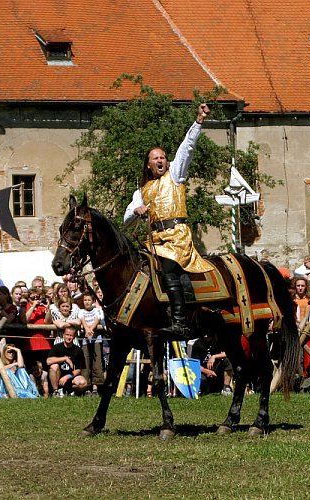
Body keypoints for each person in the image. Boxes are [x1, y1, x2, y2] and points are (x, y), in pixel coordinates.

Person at [123, 103, 213, 339]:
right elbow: (126, 217)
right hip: (154, 239)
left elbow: (187, 147)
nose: (161, 160)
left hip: (177, 237)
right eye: (156, 158)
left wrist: (199, 121)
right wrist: (137, 210)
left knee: (168, 267)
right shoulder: (143, 189)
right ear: (148, 164)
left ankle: (181, 321)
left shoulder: (175, 174)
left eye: (163, 157)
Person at [46, 325, 87, 397]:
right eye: (67, 335)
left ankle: (72, 392)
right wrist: (65, 359)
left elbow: (79, 369)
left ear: (74, 337)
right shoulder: (57, 347)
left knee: (83, 383)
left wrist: (68, 376)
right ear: (63, 335)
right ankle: (56, 392)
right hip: (58, 377)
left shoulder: (78, 350)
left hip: (71, 377)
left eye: (71, 335)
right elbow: (48, 361)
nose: (69, 337)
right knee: (53, 366)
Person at [191, 330, 233, 395]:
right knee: (202, 381)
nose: (206, 336)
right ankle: (203, 390)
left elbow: (228, 353)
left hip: (216, 368)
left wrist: (214, 357)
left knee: (227, 361)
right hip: (203, 370)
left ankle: (226, 388)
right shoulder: (197, 344)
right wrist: (206, 371)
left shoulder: (218, 340)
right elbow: (194, 364)